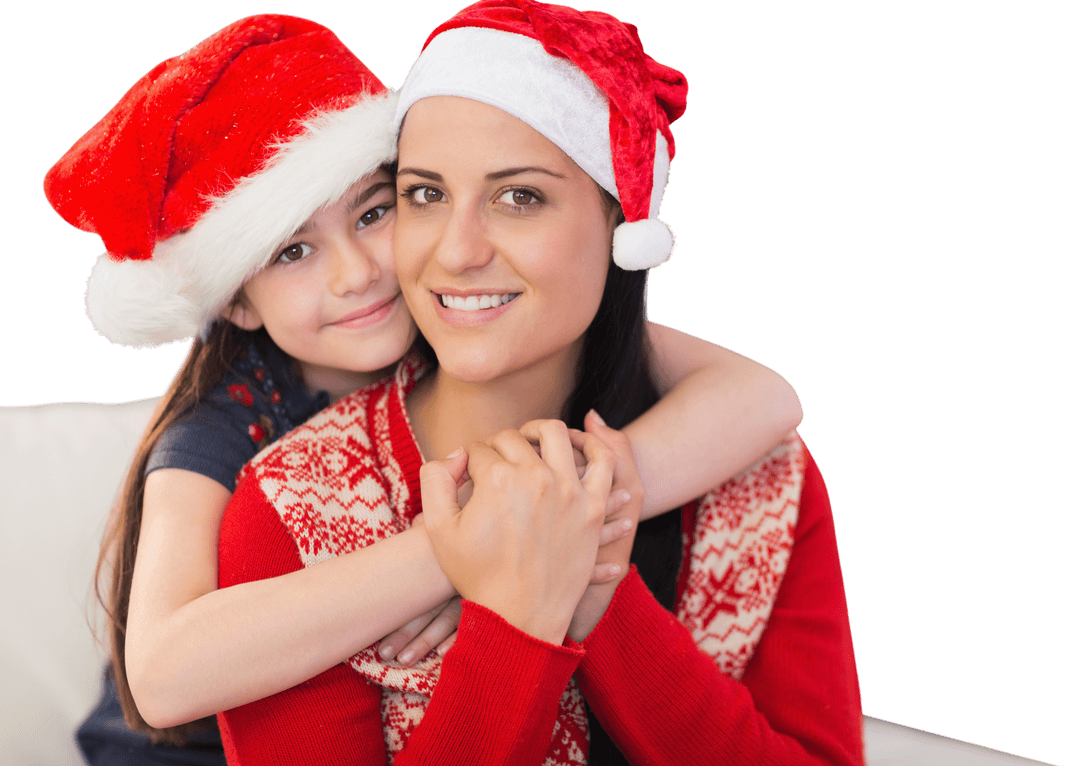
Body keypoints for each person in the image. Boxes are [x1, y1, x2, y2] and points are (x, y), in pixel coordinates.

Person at [42, 12, 804, 764]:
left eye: (375, 213)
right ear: (235, 301)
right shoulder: (221, 429)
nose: (357, 272)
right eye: (294, 250)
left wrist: (562, 506)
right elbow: (164, 677)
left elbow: (766, 399)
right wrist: (456, 554)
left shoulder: (475, 313)